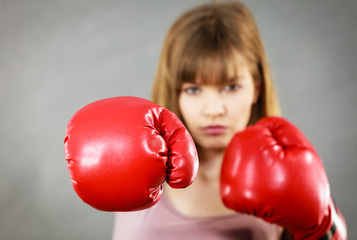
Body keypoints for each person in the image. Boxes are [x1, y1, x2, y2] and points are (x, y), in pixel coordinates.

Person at [64, 1, 347, 239]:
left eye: (231, 86)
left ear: (256, 88)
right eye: (194, 89)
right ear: (176, 91)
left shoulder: (285, 168)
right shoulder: (141, 157)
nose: (213, 109)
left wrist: (317, 224)